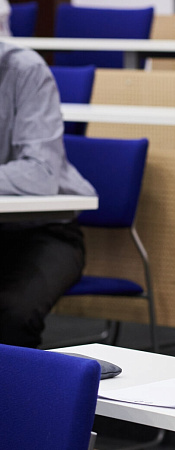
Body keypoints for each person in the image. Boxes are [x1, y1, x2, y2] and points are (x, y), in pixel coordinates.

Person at [0, 40, 96, 347]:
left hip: (45, 230)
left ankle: (18, 380)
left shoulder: (25, 70)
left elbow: (40, 175)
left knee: (12, 312)